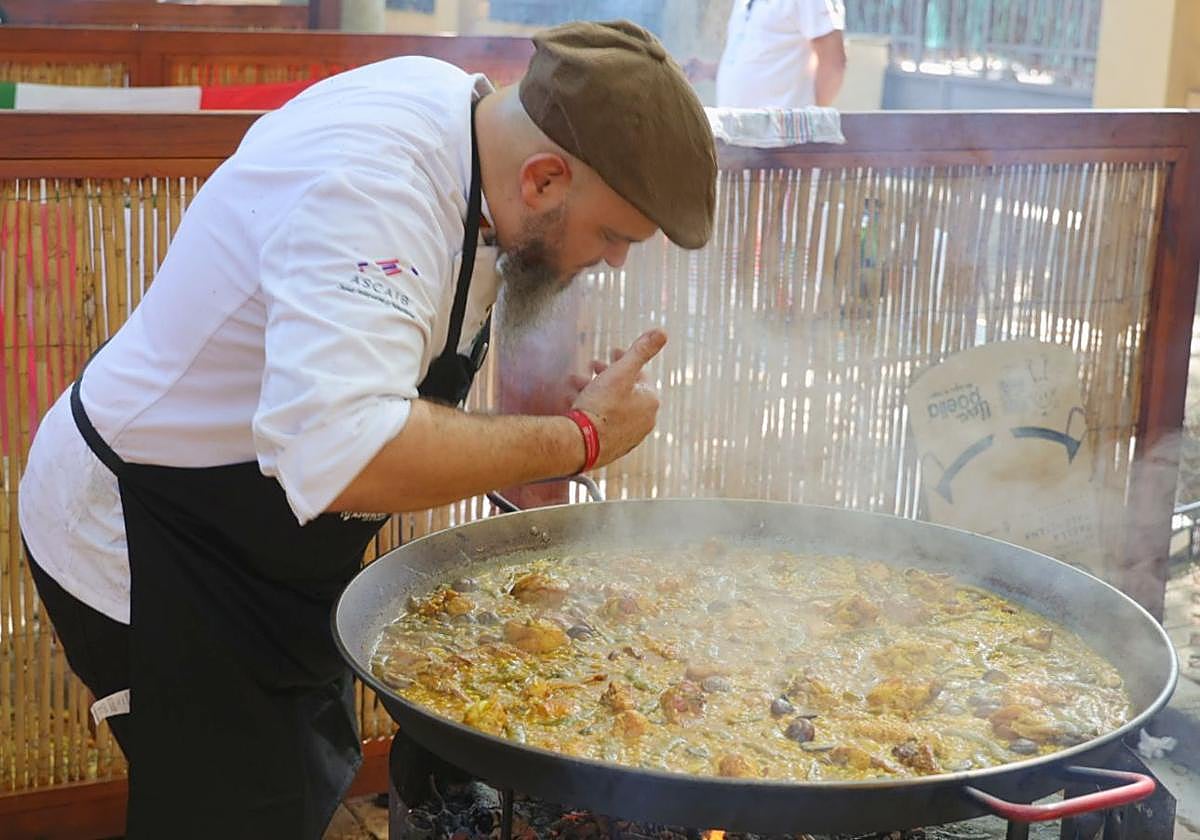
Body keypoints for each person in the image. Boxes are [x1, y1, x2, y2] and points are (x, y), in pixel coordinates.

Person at [17, 20, 716, 839]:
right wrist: (580, 438)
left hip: (263, 544)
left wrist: (545, 406)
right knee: (235, 813)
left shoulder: (475, 132)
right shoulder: (369, 189)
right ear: (545, 177)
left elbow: (419, 326)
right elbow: (345, 453)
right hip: (151, 537)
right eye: (612, 236)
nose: (617, 262)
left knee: (295, 784)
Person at [688, 0, 848, 109]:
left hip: (781, 144)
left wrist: (808, 123)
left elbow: (834, 63)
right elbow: (763, 58)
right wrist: (711, 70)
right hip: (739, 140)